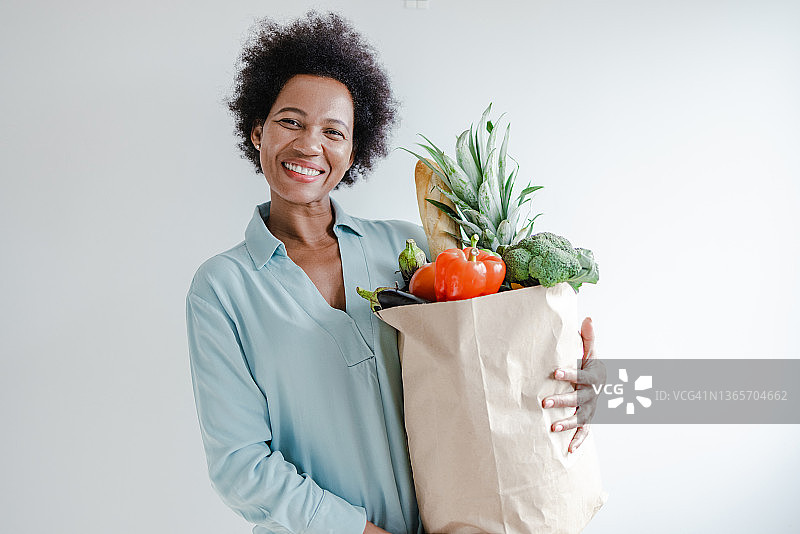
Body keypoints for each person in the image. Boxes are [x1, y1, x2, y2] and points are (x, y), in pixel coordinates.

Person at [186, 11, 604, 534]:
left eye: (333, 131)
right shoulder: (222, 289)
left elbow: (495, 353)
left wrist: (575, 373)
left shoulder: (409, 248)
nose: (310, 144)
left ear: (353, 150)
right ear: (257, 131)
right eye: (290, 121)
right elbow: (240, 467)